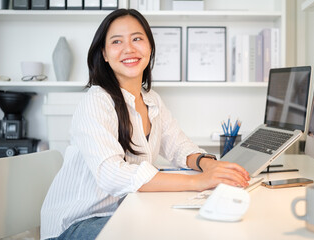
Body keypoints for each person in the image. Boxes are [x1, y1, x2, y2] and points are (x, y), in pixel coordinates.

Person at [40, 8, 250, 240]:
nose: (129, 49)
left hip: (125, 209)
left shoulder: (151, 100)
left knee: (190, 225)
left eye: (137, 39)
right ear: (105, 54)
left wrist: (207, 165)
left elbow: (179, 147)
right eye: (117, 41)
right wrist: (198, 181)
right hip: (77, 222)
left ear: (150, 47)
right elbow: (112, 175)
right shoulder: (96, 101)